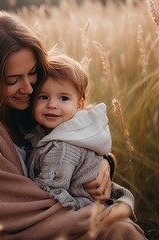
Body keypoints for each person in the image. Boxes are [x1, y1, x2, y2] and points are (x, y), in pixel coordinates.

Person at [0, 8, 146, 240]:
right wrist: (104, 215)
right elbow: (21, 213)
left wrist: (103, 164)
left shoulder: (24, 108)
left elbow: (72, 137)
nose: (28, 88)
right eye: (13, 80)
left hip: (59, 217)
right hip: (18, 231)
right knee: (120, 230)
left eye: (33, 73)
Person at [26, 53, 136, 226]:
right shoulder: (68, 129)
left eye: (63, 98)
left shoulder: (61, 148)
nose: (52, 104)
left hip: (80, 207)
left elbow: (50, 190)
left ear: (79, 104)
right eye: (43, 97)